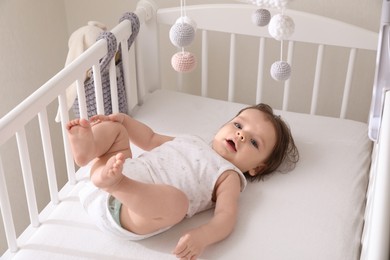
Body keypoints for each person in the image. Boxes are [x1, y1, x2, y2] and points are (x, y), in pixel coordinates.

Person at [66, 103, 299, 260]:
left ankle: (115, 183)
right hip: (113, 173)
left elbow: (226, 217)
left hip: (129, 211)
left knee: (178, 203)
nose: (241, 135)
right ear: (222, 127)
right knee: (116, 130)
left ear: (256, 168)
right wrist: (126, 121)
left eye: (254, 143)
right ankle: (88, 152)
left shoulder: (228, 175)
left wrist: (202, 237)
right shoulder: (191, 140)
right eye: (238, 125)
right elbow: (150, 138)